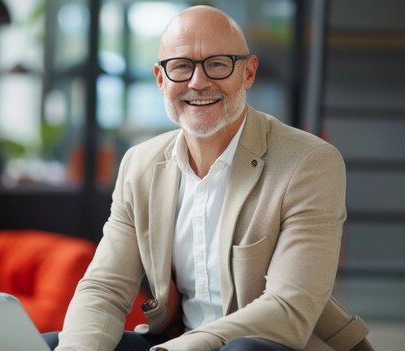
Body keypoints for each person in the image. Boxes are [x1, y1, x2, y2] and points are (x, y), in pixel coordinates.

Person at [44, 5, 373, 351]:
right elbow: (105, 289)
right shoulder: (139, 164)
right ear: (160, 79)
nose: (198, 82)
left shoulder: (309, 163)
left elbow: (288, 309)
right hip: (179, 341)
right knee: (52, 344)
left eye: (217, 64)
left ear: (248, 73)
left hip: (274, 344)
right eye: (181, 66)